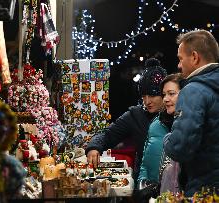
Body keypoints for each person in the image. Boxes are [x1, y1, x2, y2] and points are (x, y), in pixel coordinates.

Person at [86, 58, 167, 183]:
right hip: (144, 183)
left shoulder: (177, 114)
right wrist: (94, 147)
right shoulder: (135, 115)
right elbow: (107, 135)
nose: (147, 101)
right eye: (143, 96)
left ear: (164, 94)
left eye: (152, 95)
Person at [163, 29, 219, 196]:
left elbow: (180, 148)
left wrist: (167, 139)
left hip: (205, 191)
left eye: (181, 59)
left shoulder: (193, 91)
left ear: (194, 57)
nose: (179, 65)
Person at [137, 73, 184, 201]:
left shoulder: (191, 126)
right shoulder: (156, 124)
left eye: (171, 93)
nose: (166, 99)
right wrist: (142, 183)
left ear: (186, 94)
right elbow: (145, 162)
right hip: (155, 196)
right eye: (164, 94)